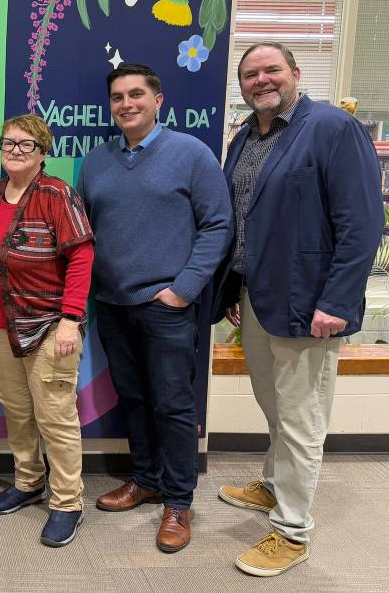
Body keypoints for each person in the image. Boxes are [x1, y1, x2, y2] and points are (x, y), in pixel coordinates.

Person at [212, 42, 383, 577]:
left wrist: (335, 301)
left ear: (295, 73)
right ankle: (274, 483)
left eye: (271, 70)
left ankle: (291, 531)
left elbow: (362, 224)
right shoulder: (245, 135)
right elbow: (244, 217)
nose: (260, 80)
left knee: (302, 415)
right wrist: (233, 290)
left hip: (309, 303)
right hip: (257, 297)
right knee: (273, 401)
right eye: (250, 74)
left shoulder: (333, 129)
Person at [77, 63, 232, 553]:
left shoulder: (191, 154)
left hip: (166, 305)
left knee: (173, 405)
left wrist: (183, 289)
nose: (127, 104)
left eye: (137, 94)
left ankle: (179, 502)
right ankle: (144, 480)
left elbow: (218, 225)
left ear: (158, 99)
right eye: (118, 97)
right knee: (135, 399)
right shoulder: (96, 161)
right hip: (113, 304)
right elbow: (85, 234)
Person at [0, 114, 94, 547]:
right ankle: (28, 481)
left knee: (55, 417)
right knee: (17, 412)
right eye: (9, 142)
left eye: (26, 145)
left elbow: (81, 257)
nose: (15, 151)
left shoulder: (58, 195)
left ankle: (67, 502)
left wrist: (70, 320)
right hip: (0, 327)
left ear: (43, 152)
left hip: (48, 327)